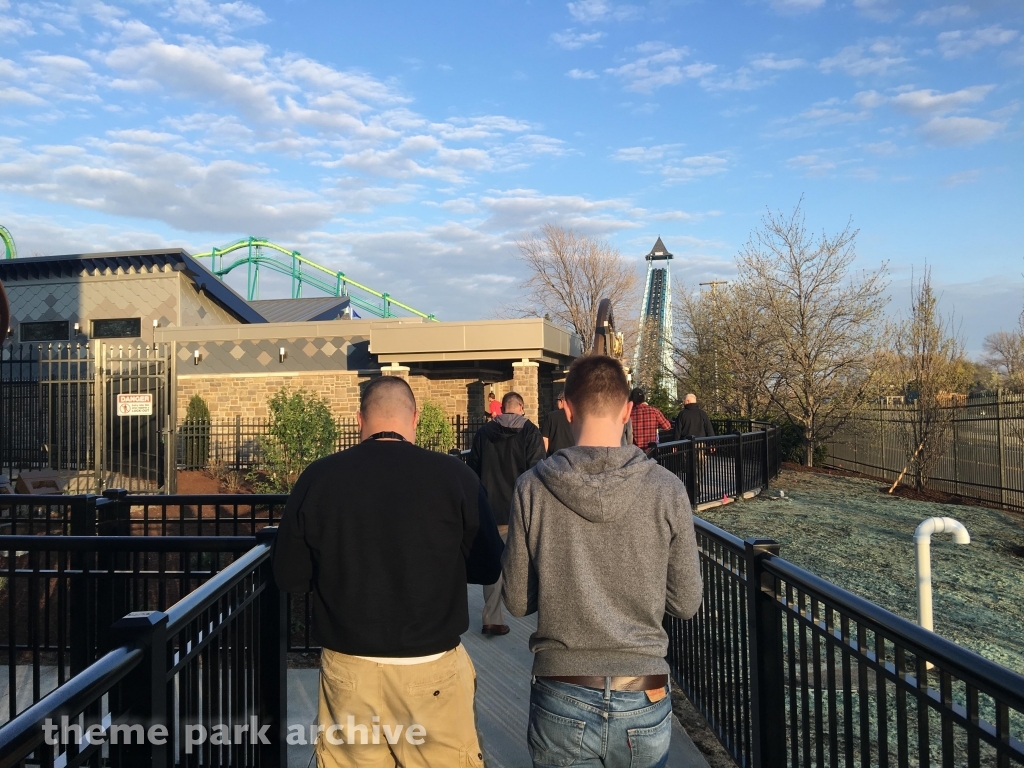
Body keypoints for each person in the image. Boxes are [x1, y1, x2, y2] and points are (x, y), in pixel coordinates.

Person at [272, 376, 504, 768]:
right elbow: (486, 565)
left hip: (349, 667)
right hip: (431, 668)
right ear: (413, 418)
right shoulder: (455, 477)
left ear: (360, 419)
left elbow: (289, 575)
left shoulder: (319, 477)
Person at [502, 355, 703, 768]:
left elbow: (518, 602)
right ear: (628, 410)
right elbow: (686, 602)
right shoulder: (667, 490)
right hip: (643, 686)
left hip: (561, 685)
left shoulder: (532, 489)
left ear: (567, 407)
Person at [467, 391, 545, 636]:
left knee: (493, 563)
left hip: (490, 509)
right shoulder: (531, 433)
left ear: (502, 408)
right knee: (531, 561)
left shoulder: (483, 434)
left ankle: (493, 619)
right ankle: (538, 616)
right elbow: (537, 471)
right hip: (520, 508)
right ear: (521, 407)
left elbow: (473, 471)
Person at [629, 387, 672, 452]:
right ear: (644, 398)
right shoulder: (654, 411)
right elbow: (667, 427)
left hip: (636, 452)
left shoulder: (629, 414)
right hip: (651, 451)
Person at [541, 391, 575, 457]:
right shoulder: (576, 417)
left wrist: (544, 458)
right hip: (573, 457)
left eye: (557, 400)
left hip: (555, 458)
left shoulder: (551, 416)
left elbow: (545, 440)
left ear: (561, 401)